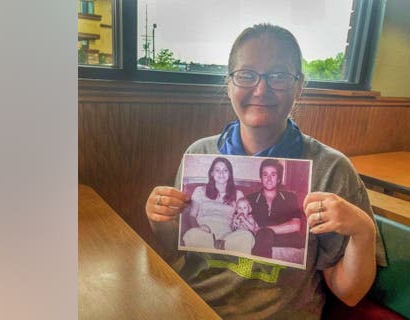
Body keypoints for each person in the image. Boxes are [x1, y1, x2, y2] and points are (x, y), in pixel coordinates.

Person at [145, 23, 386, 319]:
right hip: (192, 308)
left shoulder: (330, 168)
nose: (261, 89)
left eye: (279, 76)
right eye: (246, 75)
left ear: (300, 85)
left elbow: (349, 293)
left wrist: (363, 230)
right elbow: (179, 248)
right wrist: (160, 220)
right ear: (229, 83)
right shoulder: (199, 154)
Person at [182, 157, 255, 253]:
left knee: (247, 237)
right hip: (204, 233)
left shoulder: (238, 194)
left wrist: (238, 225)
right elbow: (192, 215)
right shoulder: (199, 190)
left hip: (227, 237)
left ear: (229, 174)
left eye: (225, 170)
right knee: (191, 235)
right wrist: (198, 229)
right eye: (217, 170)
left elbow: (243, 215)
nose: (221, 173)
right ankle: (217, 251)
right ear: (212, 173)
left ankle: (217, 250)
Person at [246, 158, 304, 258]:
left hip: (286, 239)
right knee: (263, 236)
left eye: (273, 175)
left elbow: (296, 225)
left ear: (278, 178)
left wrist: (264, 229)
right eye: (265, 175)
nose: (269, 179)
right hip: (260, 240)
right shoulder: (250, 198)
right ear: (261, 177)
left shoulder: (290, 197)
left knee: (265, 234)